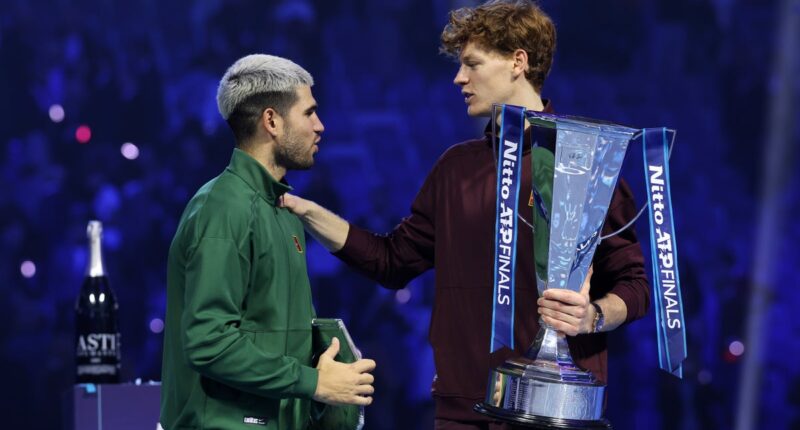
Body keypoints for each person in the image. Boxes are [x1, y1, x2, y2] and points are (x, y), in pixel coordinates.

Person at [283, 1, 650, 429]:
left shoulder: (582, 160)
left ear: (518, 62)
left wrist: (595, 315)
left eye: (472, 64)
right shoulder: (455, 168)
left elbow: (635, 284)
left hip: (554, 407)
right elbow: (392, 261)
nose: (460, 78)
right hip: (462, 406)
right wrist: (308, 212)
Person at [160, 54, 376, 430]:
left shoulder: (281, 209)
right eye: (309, 113)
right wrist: (314, 382)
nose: (320, 126)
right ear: (272, 121)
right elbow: (208, 341)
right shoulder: (222, 208)